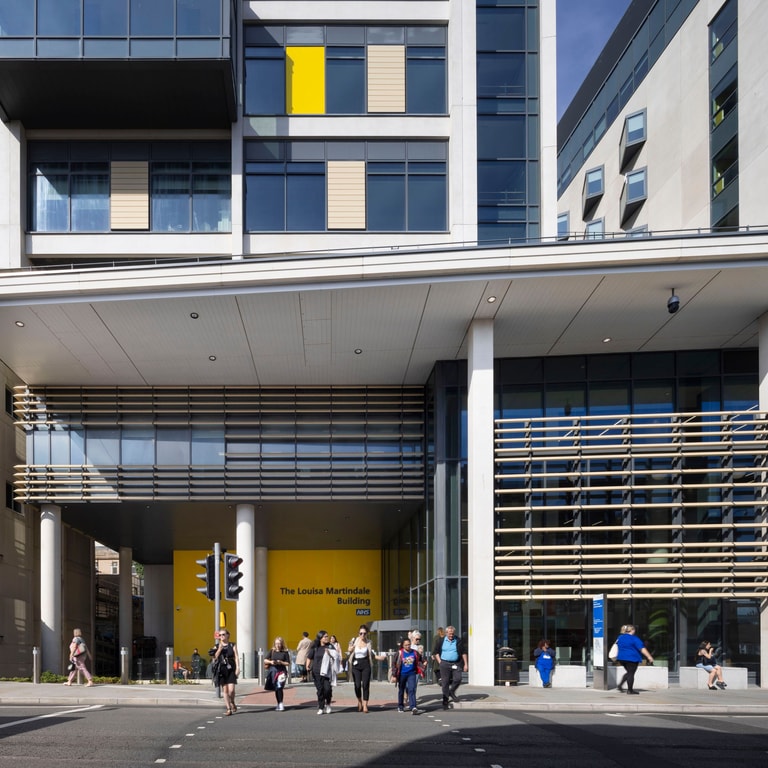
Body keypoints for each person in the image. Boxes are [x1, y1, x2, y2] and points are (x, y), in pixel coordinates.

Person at [347, 624, 385, 713]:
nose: (362, 635)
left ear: (367, 634)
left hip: (365, 664)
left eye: (364, 633)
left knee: (365, 685)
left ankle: (365, 705)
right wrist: (351, 648)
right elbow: (349, 650)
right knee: (357, 685)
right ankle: (359, 701)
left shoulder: (369, 642)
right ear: (358, 633)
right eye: (361, 633)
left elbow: (371, 654)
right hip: (356, 665)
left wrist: (379, 657)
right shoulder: (354, 641)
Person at [432, 625, 468, 709]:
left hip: (456, 663)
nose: (451, 636)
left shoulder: (458, 640)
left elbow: (463, 652)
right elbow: (435, 652)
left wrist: (466, 664)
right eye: (449, 634)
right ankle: (445, 698)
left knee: (458, 679)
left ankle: (451, 691)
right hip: (444, 663)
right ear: (446, 633)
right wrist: (440, 662)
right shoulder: (441, 641)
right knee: (445, 682)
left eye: (452, 634)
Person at [307, 630, 340, 714]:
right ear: (320, 638)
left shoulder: (330, 646)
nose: (327, 638)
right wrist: (307, 666)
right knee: (320, 690)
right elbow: (309, 657)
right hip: (316, 671)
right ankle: (321, 707)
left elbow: (336, 656)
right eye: (325, 636)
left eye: (327, 636)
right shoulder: (315, 647)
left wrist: (329, 653)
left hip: (327, 672)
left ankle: (328, 704)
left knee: (327, 689)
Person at [614, 624, 654, 695]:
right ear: (632, 630)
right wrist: (649, 657)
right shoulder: (634, 638)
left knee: (629, 672)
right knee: (631, 674)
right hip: (632, 658)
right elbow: (642, 649)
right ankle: (630, 690)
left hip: (622, 658)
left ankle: (620, 685)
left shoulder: (620, 637)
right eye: (634, 629)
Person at [392, 637, 424, 714]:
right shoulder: (399, 653)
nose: (408, 646)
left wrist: (423, 664)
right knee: (401, 690)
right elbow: (394, 663)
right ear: (403, 645)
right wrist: (394, 675)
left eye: (409, 645)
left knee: (412, 689)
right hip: (402, 674)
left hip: (412, 673)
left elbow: (421, 659)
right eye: (406, 645)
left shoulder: (415, 652)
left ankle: (413, 706)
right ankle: (400, 706)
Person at [213, 627, 240, 715]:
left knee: (231, 690)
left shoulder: (232, 645)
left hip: (231, 668)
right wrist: (219, 649)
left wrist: (238, 668)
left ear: (228, 635)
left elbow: (236, 656)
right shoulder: (217, 646)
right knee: (225, 690)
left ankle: (232, 701)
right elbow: (215, 657)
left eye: (223, 634)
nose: (222, 636)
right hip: (221, 669)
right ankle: (228, 709)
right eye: (220, 635)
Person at [265, 636, 291, 710]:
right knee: (276, 688)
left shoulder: (285, 652)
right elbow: (265, 660)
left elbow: (288, 663)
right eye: (276, 643)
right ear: (274, 644)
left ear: (282, 644)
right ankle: (279, 703)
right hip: (273, 671)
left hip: (282, 671)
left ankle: (281, 703)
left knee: (280, 687)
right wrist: (271, 662)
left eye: (279, 643)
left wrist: (281, 662)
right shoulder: (272, 651)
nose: (278, 645)